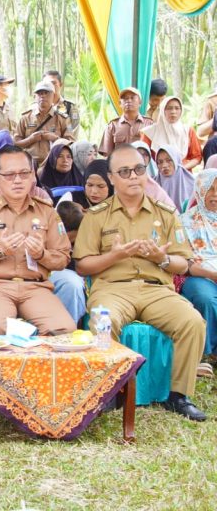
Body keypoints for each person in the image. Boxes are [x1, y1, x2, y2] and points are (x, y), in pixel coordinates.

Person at [74, 144, 207, 421]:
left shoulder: (165, 213)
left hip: (155, 289)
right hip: (112, 289)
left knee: (192, 322)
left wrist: (162, 258)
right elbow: (83, 264)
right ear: (111, 178)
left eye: (139, 169)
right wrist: (114, 255)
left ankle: (178, 396)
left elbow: (184, 263)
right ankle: (108, 393)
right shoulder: (97, 216)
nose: (133, 176)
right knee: (102, 320)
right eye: (124, 172)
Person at [0, 145, 76, 335]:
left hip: (36, 287)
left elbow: (63, 258)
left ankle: (31, 351)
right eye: (10, 175)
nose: (18, 180)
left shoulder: (46, 211)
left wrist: (42, 254)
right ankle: (27, 338)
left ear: (32, 176)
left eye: (24, 173)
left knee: (64, 329)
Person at [179, 169, 217, 361]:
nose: (215, 195)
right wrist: (212, 275)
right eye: (210, 189)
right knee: (206, 299)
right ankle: (209, 352)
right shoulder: (186, 221)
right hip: (200, 275)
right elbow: (186, 263)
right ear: (200, 191)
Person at [16, 80, 71, 164]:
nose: (43, 96)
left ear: (53, 96)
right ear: (35, 96)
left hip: (53, 164)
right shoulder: (25, 118)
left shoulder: (63, 119)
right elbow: (16, 143)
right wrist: (31, 139)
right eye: (40, 93)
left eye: (46, 93)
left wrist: (55, 139)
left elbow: (71, 143)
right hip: (29, 163)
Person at [142, 96, 202, 170]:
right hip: (157, 175)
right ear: (163, 110)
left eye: (177, 108)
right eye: (169, 108)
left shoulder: (188, 130)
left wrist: (181, 169)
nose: (173, 111)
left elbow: (197, 157)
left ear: (181, 110)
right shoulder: (150, 132)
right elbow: (143, 157)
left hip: (183, 174)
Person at [99, 87, 153, 158]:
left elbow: (154, 151)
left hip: (143, 167)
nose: (128, 101)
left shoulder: (149, 124)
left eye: (132, 98)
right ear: (120, 104)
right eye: (125, 98)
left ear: (140, 102)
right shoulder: (112, 126)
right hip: (120, 167)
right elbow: (107, 155)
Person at [154, 145, 195, 212]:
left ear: (176, 161)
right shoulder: (153, 185)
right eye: (160, 162)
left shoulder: (193, 183)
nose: (164, 166)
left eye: (169, 160)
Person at [42, 70, 80, 139]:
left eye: (53, 83)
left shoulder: (70, 108)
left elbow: (73, 133)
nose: (50, 87)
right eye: (47, 84)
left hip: (62, 148)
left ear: (61, 85)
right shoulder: (35, 107)